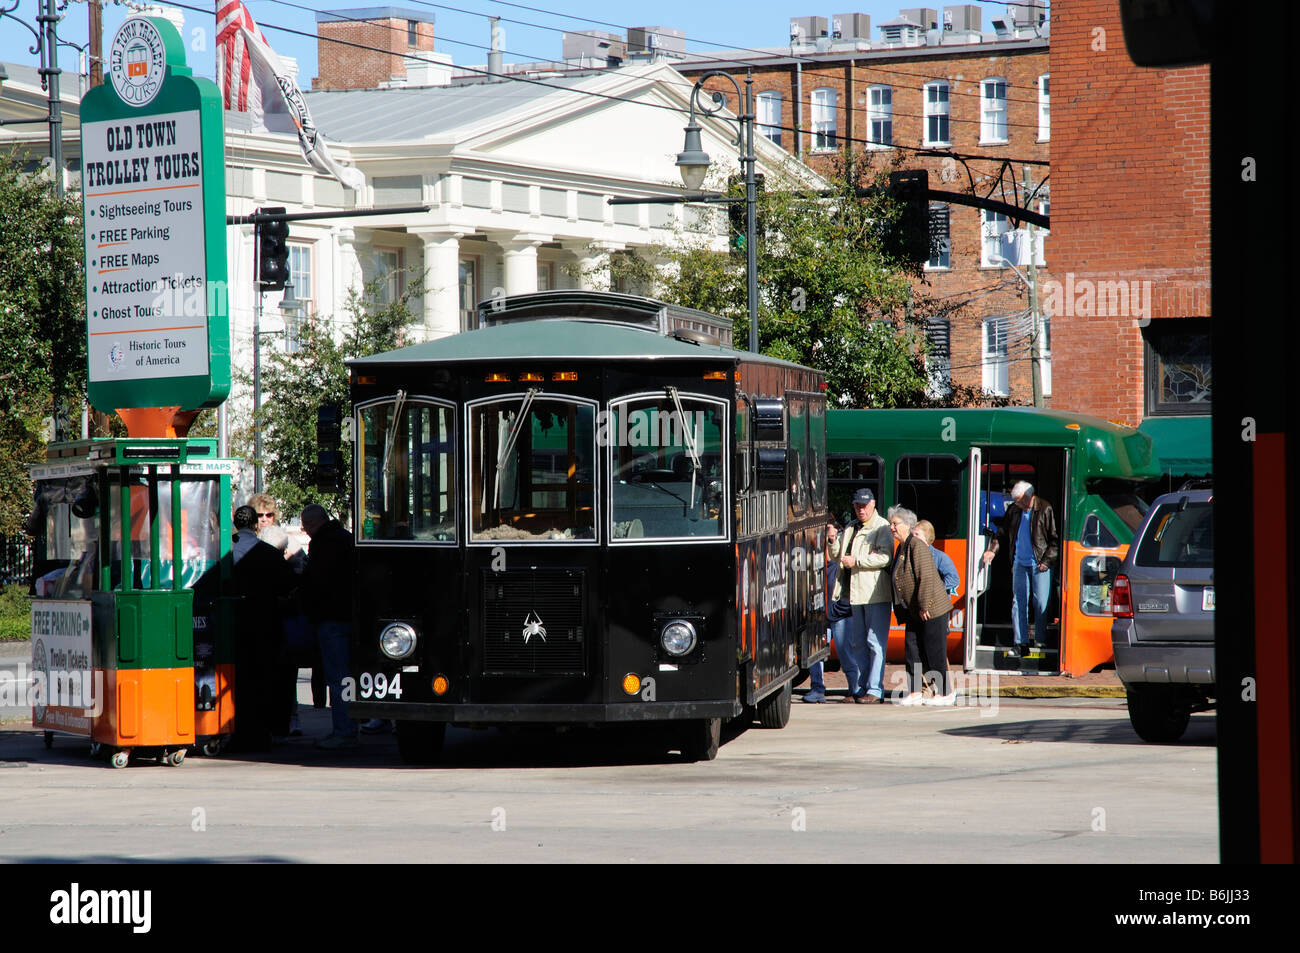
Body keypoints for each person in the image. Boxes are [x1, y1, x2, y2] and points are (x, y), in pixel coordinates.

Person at [229, 505, 297, 750]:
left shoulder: (225, 551)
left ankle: (238, 728)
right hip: (266, 622)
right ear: (256, 524)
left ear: (235, 523)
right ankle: (263, 730)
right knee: (265, 678)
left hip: (233, 624)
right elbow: (288, 583)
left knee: (238, 678)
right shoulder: (268, 552)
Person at [826, 488, 894, 703]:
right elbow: (837, 556)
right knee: (858, 644)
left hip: (875, 594)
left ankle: (874, 690)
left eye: (864, 505)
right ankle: (861, 688)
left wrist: (858, 560)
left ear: (873, 504)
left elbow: (885, 557)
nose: (860, 509)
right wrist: (831, 540)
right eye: (857, 505)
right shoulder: (851, 526)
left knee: (875, 643)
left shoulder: (882, 526)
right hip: (853, 594)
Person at [300, 503, 359, 749]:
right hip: (350, 616)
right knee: (349, 676)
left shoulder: (322, 544)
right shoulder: (346, 538)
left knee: (337, 678)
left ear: (313, 524)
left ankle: (344, 731)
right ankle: (354, 725)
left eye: (305, 528)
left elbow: (317, 582)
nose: (305, 533)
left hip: (331, 618)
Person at [981, 480, 1059, 656]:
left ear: (1029, 496)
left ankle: (1040, 639)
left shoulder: (1045, 509)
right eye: (1015, 500)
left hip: (1040, 563)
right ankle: (1020, 643)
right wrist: (992, 551)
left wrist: (1046, 561)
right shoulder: (1014, 510)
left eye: (1019, 500)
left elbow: (1055, 540)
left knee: (1040, 602)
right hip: (1019, 562)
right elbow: (1001, 534)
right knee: (1018, 602)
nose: (1017, 504)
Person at [890, 506, 956, 707]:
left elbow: (926, 576)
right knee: (912, 650)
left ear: (907, 526)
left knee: (934, 650)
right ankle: (915, 691)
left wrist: (925, 604)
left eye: (895, 523)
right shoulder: (902, 547)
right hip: (914, 610)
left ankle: (946, 692)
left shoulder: (916, 545)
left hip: (931, 608)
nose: (891, 527)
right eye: (891, 523)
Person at [914, 520, 959, 596]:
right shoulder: (911, 555)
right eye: (912, 534)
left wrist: (934, 588)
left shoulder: (940, 557)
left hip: (936, 603)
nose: (913, 537)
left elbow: (953, 579)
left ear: (926, 536)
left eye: (917, 534)